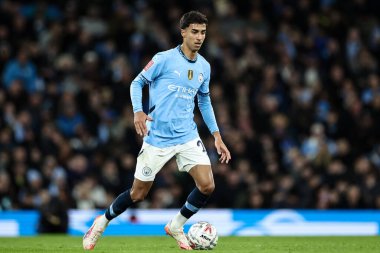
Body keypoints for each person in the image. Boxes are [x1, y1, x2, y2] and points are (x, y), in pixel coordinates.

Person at [82, 10, 231, 250]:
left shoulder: (205, 66)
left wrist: (217, 135)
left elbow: (204, 101)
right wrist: (138, 111)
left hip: (187, 135)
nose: (199, 37)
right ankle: (101, 223)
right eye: (194, 32)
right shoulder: (163, 59)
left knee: (207, 185)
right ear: (183, 32)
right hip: (158, 138)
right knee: (138, 194)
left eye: (203, 32)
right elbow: (137, 82)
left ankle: (176, 225)